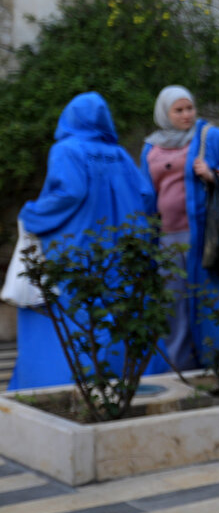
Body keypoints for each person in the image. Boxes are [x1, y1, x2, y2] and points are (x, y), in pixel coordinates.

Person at [8, 92, 156, 390]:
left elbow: (68, 194)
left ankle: (53, 384)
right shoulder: (120, 155)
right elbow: (147, 195)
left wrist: (32, 214)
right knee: (117, 318)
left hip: (74, 252)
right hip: (122, 253)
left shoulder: (66, 150)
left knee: (63, 319)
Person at [140, 85, 219, 373]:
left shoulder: (211, 137)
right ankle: (178, 368)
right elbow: (145, 192)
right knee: (173, 304)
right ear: (164, 113)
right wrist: (145, 237)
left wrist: (214, 175)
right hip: (167, 241)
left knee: (212, 299)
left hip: (206, 237)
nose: (186, 115)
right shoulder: (151, 147)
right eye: (179, 110)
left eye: (190, 108)